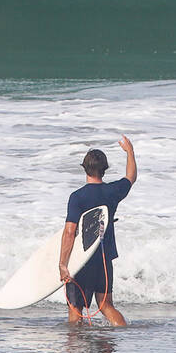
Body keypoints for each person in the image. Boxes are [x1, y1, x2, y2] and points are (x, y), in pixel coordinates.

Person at [58, 136, 137, 325]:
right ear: (105, 169)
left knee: (75, 310)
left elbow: (70, 232)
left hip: (81, 260)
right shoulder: (113, 192)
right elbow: (131, 178)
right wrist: (130, 152)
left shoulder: (77, 197)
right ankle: (125, 334)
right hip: (104, 258)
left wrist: (63, 264)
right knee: (105, 305)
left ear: (84, 168)